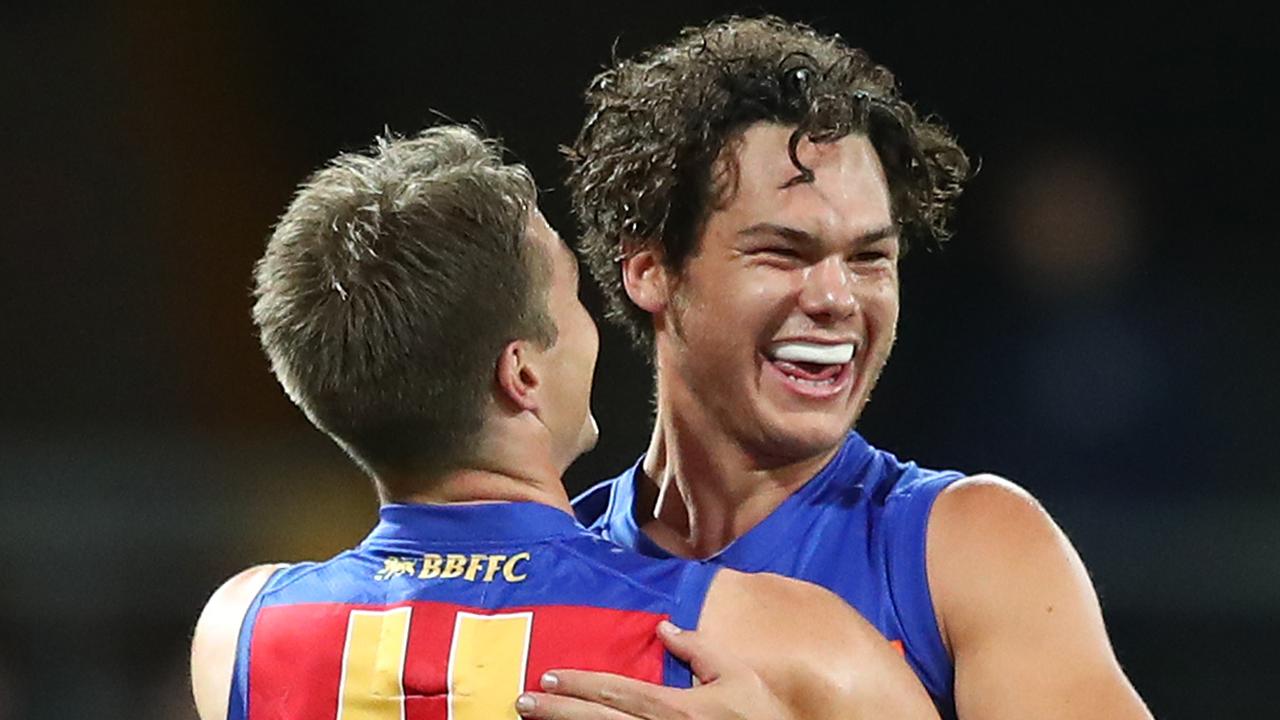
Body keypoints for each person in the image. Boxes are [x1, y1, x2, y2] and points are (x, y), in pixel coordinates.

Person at [188, 125, 941, 720]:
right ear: (521, 375)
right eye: (574, 295)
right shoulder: (776, 638)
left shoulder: (241, 634)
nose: (596, 326)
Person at [536, 15, 1154, 720]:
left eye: (869, 259)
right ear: (651, 270)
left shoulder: (967, 552)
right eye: (781, 252)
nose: (835, 299)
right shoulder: (553, 575)